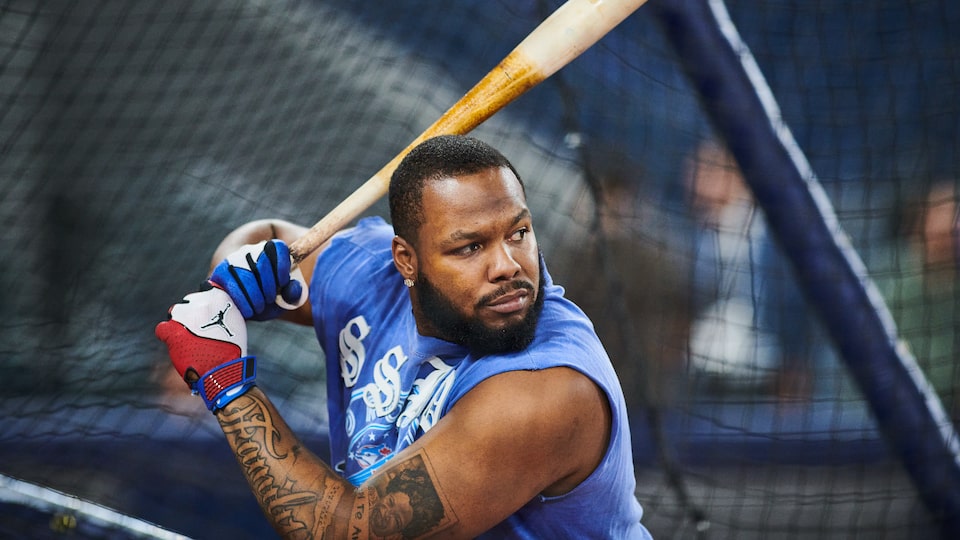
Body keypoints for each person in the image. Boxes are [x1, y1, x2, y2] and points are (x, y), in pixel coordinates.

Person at [155, 135, 652, 538]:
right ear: (407, 261)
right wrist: (242, 270)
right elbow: (260, 234)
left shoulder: (546, 390)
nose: (506, 266)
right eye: (470, 247)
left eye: (518, 233)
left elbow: (349, 530)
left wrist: (228, 388)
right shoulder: (371, 277)